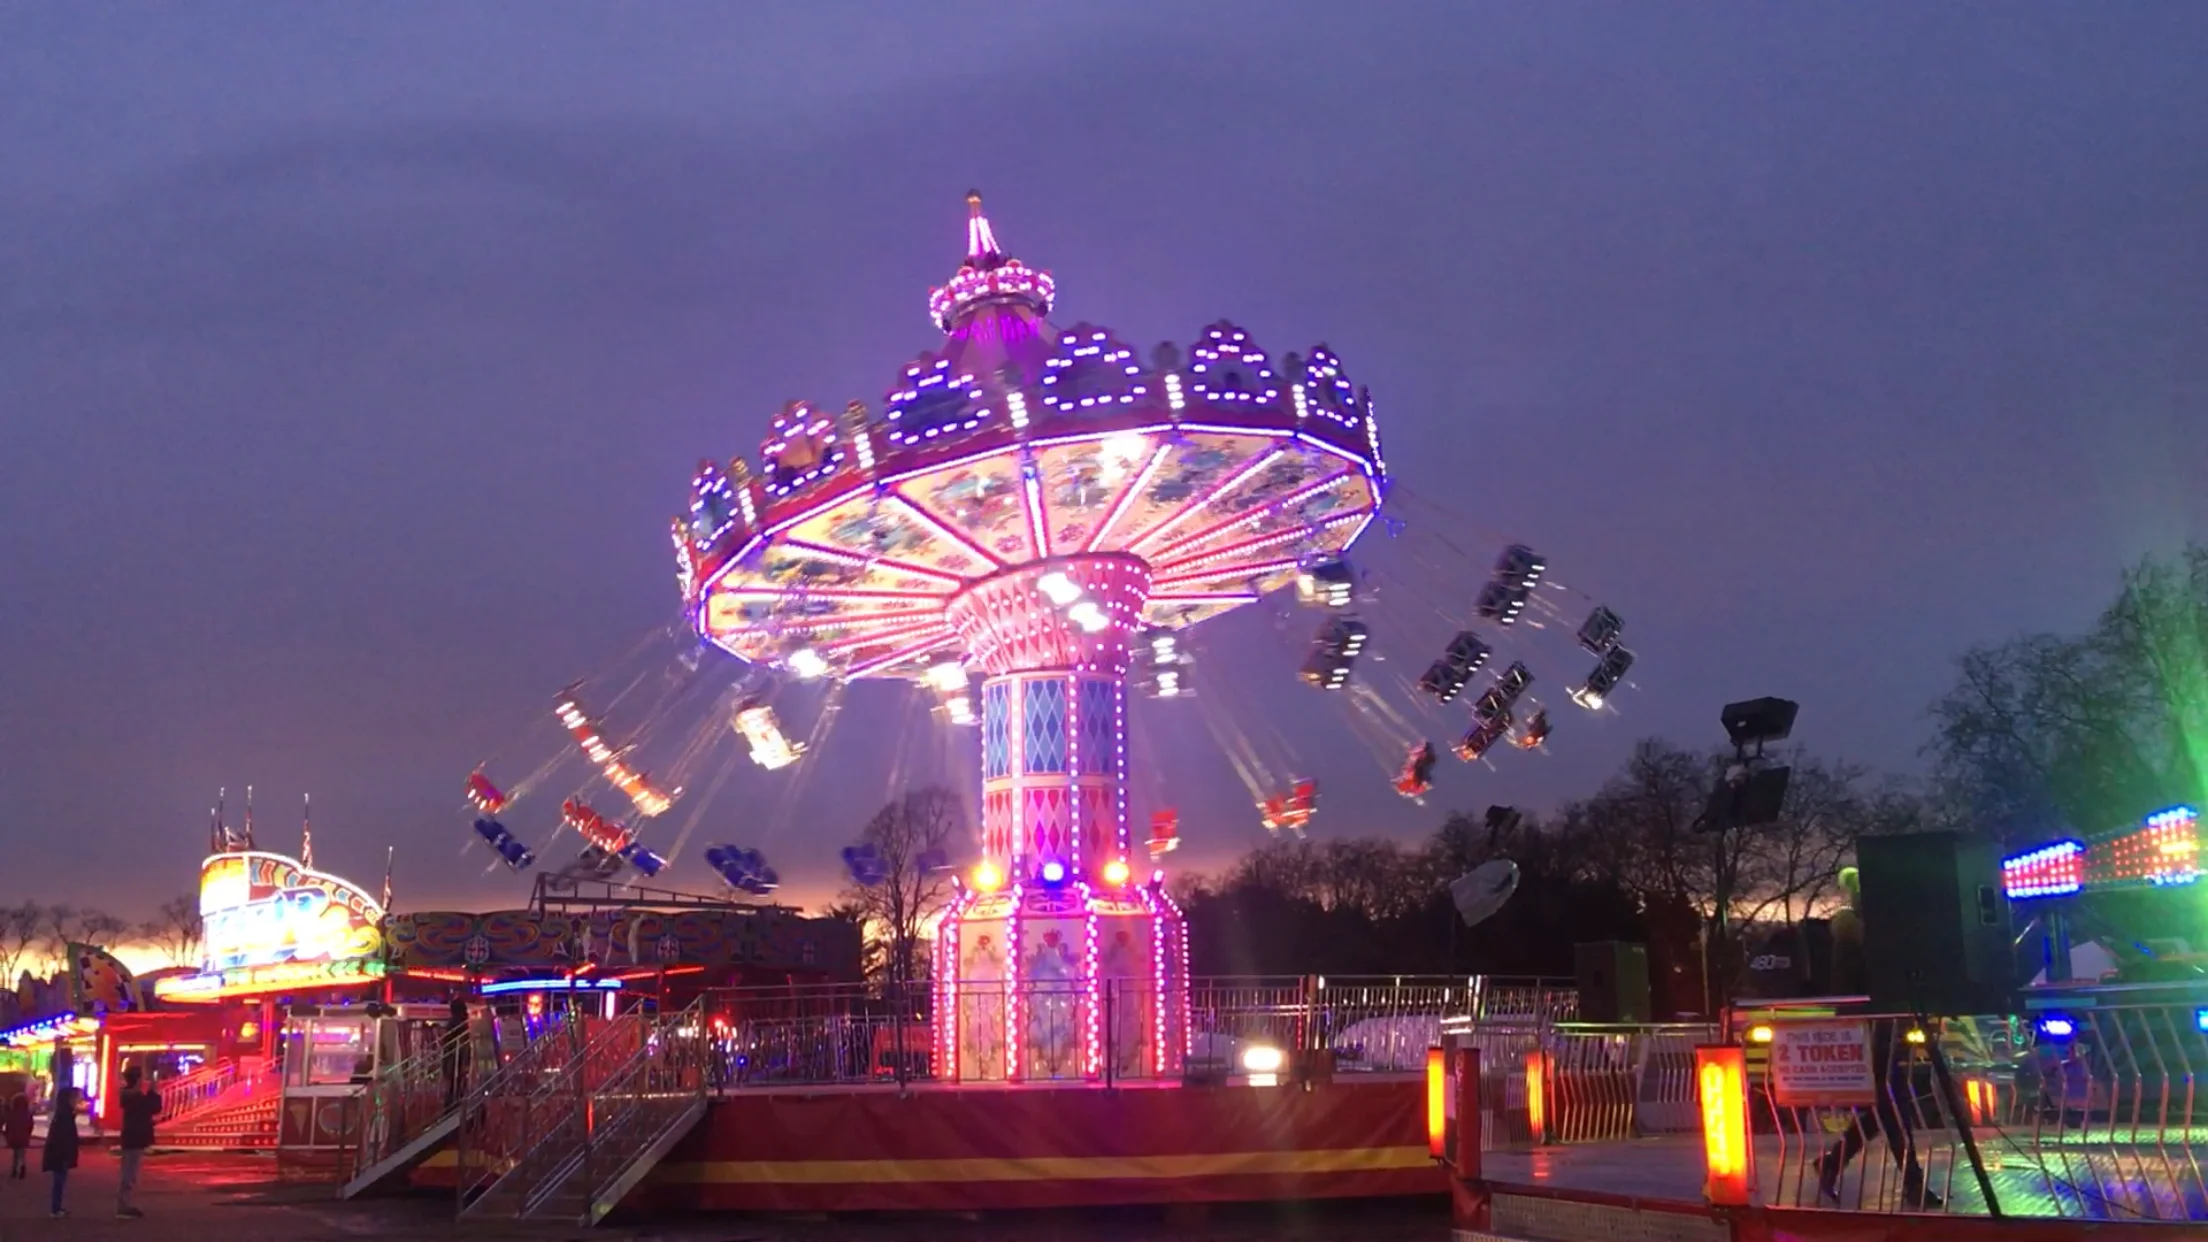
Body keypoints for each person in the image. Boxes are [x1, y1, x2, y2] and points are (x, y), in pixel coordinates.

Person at [1819, 867, 1942, 1209]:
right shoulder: (1855, 936)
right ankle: (1912, 1184)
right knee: (1893, 1104)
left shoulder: (1865, 935)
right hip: (1871, 1031)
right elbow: (1853, 987)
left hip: (1881, 1028)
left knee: (1888, 1107)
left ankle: (1833, 1163)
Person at [116, 1065, 160, 1218]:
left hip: (130, 1137)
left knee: (129, 1172)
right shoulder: (136, 1097)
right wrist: (153, 1091)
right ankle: (124, 1206)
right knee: (129, 1173)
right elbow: (154, 1107)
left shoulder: (128, 1095)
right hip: (134, 1138)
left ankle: (125, 1204)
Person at [42, 1084, 79, 1219]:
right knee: (59, 1182)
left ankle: (56, 1208)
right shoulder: (65, 1116)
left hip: (60, 1153)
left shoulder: (63, 1114)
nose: (76, 1101)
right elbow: (63, 1137)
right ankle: (55, 1209)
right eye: (75, 1098)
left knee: (59, 1182)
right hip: (60, 1154)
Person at [440, 998, 471, 1107]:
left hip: (452, 1056)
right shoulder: (462, 1022)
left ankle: (451, 1102)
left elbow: (446, 1041)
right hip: (458, 1056)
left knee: (453, 1082)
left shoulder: (452, 1023)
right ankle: (456, 1101)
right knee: (457, 1081)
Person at [4, 1092, 31, 1179]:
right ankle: (22, 1166)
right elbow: (30, 1125)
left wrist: (7, 1135)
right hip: (24, 1136)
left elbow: (8, 1125)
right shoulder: (27, 1113)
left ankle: (14, 1170)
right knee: (21, 1153)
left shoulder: (13, 1113)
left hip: (14, 1136)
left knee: (15, 1154)